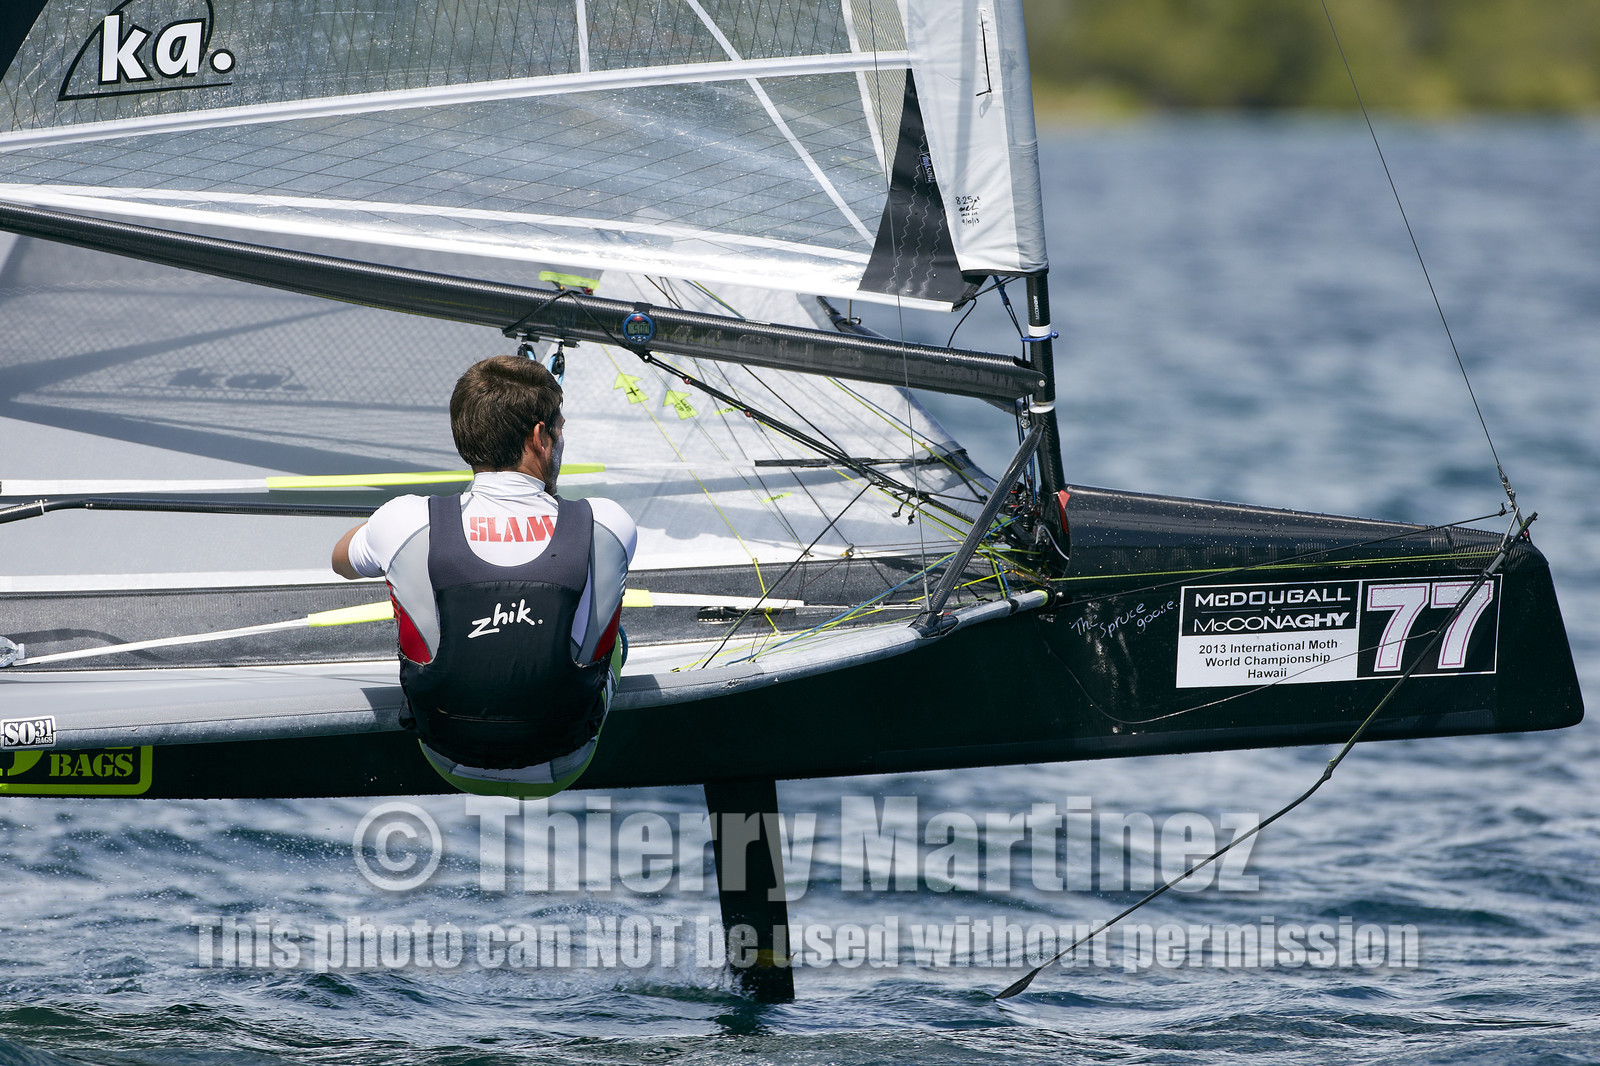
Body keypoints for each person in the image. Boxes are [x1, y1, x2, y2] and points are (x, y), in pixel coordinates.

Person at [331, 355, 635, 797]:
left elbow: (341, 561)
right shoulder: (608, 523)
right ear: (540, 437)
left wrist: (387, 531)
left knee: (412, 586)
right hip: (563, 763)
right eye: (560, 427)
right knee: (616, 632)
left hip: (448, 758)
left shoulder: (403, 520)